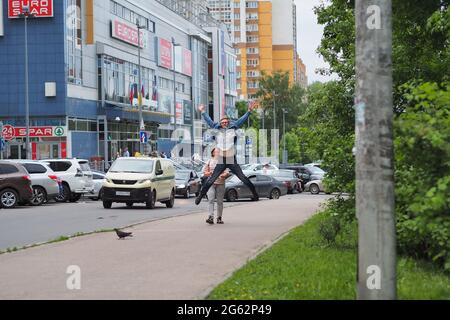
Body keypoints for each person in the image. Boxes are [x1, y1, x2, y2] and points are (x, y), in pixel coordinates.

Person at [195, 102, 259, 205]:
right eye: (223, 122)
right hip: (221, 158)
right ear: (220, 123)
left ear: (228, 122)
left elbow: (241, 120)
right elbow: (208, 120)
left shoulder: (233, 127)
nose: (224, 124)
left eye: (226, 122)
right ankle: (200, 196)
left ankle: (254, 193)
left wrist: (249, 111)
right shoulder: (216, 127)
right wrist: (202, 111)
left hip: (231, 158)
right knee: (211, 180)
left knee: (242, 177)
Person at [204, 148, 230, 225]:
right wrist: (210, 173)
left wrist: (222, 175)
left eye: (219, 152)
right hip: (211, 183)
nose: (217, 153)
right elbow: (205, 173)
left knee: (219, 201)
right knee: (211, 200)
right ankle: (210, 217)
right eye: (216, 152)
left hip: (221, 183)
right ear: (213, 153)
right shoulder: (209, 161)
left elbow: (227, 173)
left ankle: (219, 218)